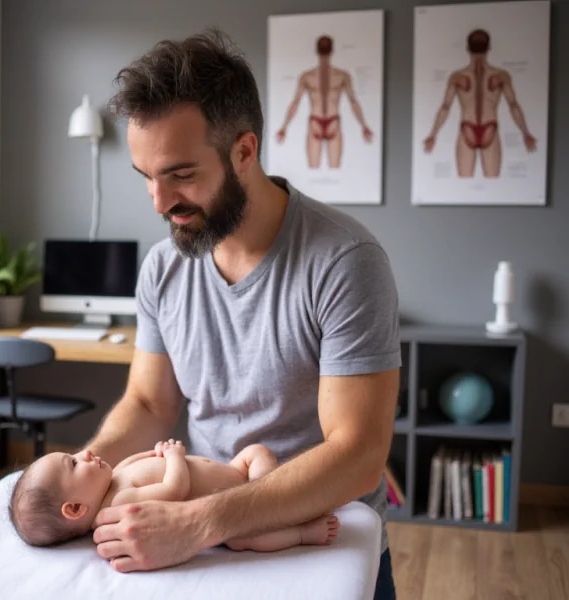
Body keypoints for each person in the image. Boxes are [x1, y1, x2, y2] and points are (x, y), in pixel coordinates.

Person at [83, 28, 401, 600]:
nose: (159, 203)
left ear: (244, 151)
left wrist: (200, 522)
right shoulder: (162, 268)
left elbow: (358, 455)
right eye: (146, 178)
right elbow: (151, 403)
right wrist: (81, 471)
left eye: (180, 175)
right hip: (207, 543)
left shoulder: (345, 261)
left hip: (319, 540)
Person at [8, 441, 339, 550]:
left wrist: (156, 453)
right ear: (76, 508)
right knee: (244, 538)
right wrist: (176, 458)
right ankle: (299, 531)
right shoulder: (118, 504)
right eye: (75, 463)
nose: (87, 453)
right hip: (233, 502)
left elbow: (149, 463)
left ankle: (278, 499)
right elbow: (174, 489)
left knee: (257, 452)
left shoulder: (114, 478)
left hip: (235, 473)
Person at [423, 28, 537, 178]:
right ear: (489, 48)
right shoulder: (501, 75)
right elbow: (513, 105)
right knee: (492, 186)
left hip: (467, 129)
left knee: (464, 186)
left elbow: (445, 107)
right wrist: (525, 133)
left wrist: (433, 134)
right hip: (490, 128)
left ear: (467, 49)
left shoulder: (457, 77)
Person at [275, 34, 373, 169]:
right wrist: (284, 127)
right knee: (312, 171)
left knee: (335, 171)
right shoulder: (307, 76)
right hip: (316, 122)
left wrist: (364, 126)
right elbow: (295, 102)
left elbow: (353, 101)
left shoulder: (342, 76)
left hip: (333, 122)